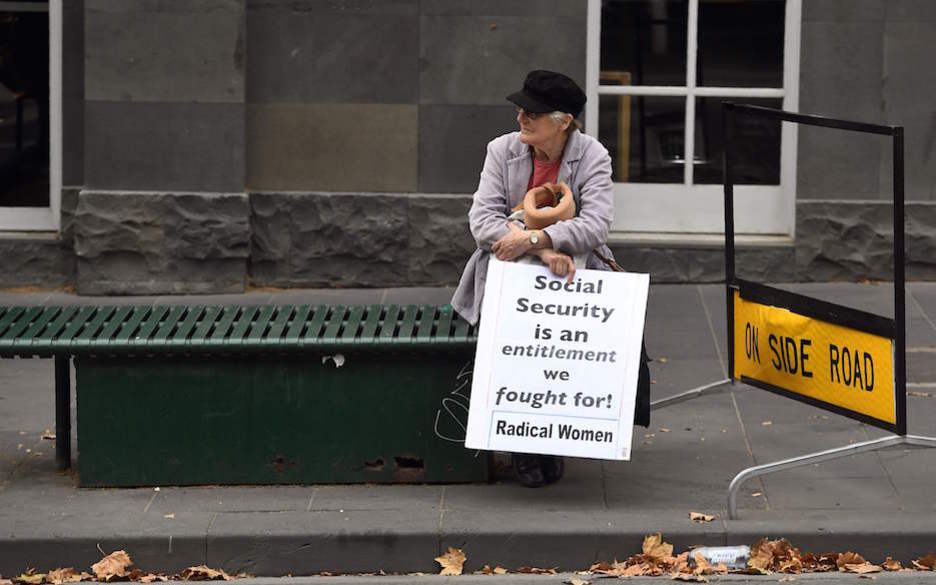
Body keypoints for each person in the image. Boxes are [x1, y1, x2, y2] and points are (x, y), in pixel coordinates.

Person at [451, 70, 651, 488]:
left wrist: (539, 236)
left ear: (563, 121)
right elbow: (481, 221)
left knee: (562, 355)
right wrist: (539, 250)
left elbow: (596, 226)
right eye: (520, 110)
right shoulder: (500, 150)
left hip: (575, 268)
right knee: (518, 340)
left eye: (533, 113)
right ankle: (524, 443)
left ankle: (552, 436)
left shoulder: (592, 155)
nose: (521, 118)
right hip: (508, 270)